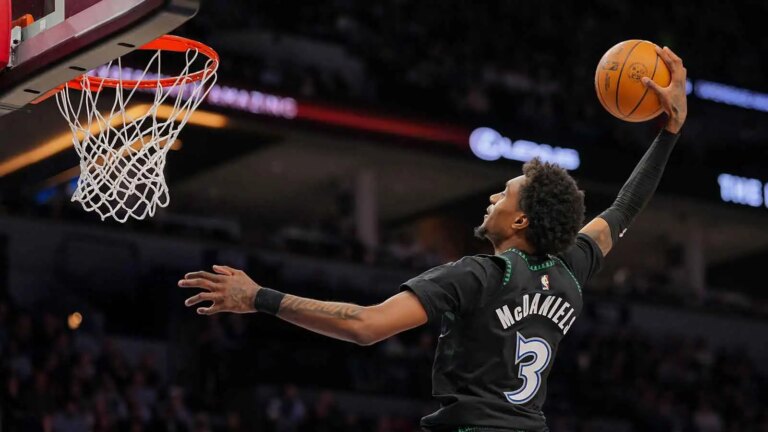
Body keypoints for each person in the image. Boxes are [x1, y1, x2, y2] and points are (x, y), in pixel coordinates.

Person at [179, 46, 687, 432]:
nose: (493, 198)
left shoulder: (480, 275)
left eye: (506, 194)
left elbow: (365, 325)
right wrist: (669, 132)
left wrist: (259, 297)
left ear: (520, 223)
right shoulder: (570, 266)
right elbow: (623, 209)